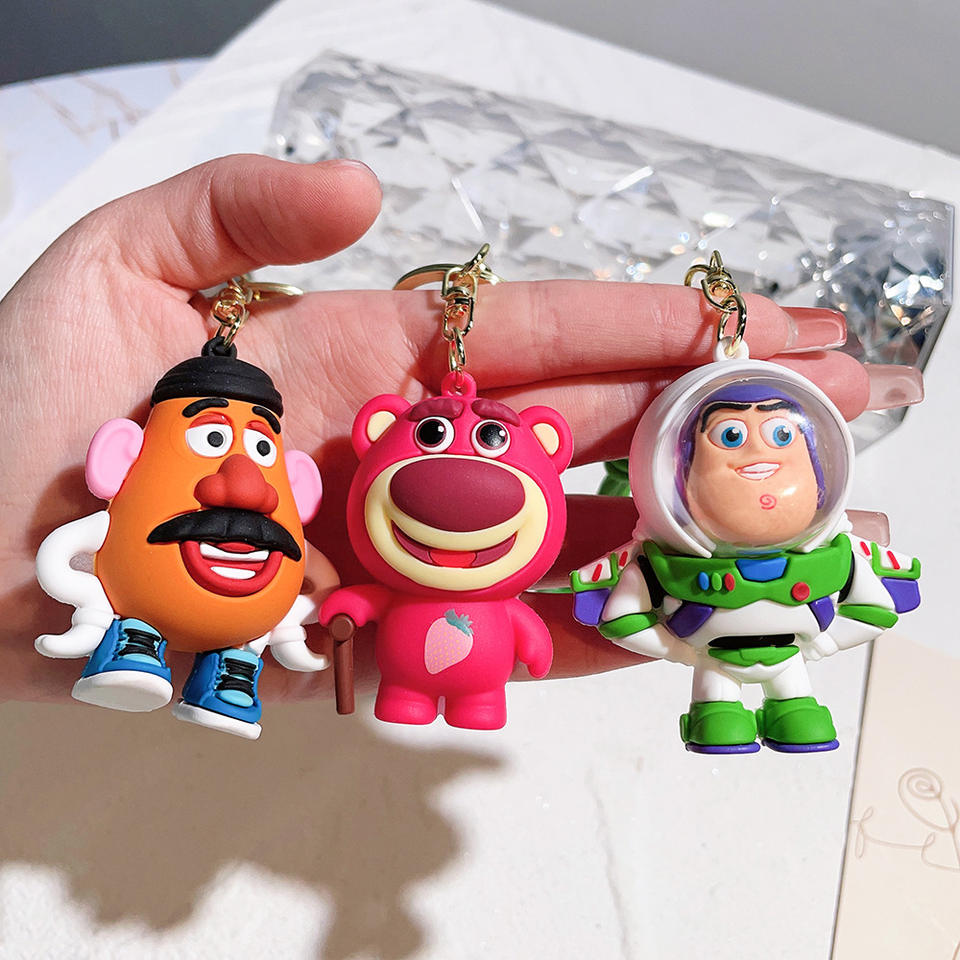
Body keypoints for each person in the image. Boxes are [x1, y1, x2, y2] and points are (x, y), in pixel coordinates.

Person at [0, 154, 915, 707]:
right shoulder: (174, 512)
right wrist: (347, 606)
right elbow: (347, 595)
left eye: (258, 452)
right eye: (216, 444)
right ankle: (192, 667)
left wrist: (561, 625)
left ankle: (227, 677)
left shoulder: (773, 540)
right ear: (122, 459)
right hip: (218, 615)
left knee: (742, 684)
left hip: (491, 639)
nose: (236, 481)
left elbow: (517, 623)